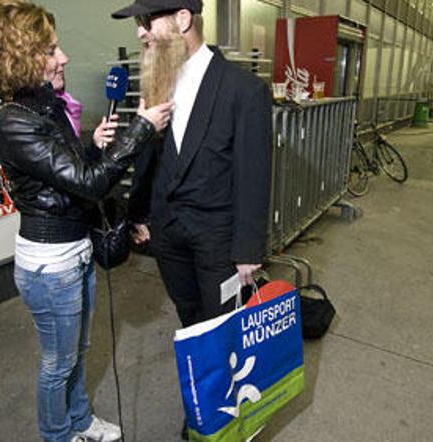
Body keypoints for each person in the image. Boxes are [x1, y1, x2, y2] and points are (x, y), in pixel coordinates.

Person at [0, 1, 172, 441]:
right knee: (58, 364)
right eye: (51, 50)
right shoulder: (13, 124)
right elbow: (90, 184)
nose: (64, 57)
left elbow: (69, 175)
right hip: (50, 265)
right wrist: (140, 129)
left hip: (75, 251)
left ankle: (80, 421)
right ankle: (57, 434)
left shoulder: (46, 108)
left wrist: (92, 146)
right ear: (21, 58)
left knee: (79, 350)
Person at [111, 0, 272, 437]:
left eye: (147, 21)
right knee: (191, 322)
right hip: (168, 235)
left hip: (219, 239)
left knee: (221, 331)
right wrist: (140, 213)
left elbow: (254, 174)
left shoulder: (243, 90)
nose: (140, 32)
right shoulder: (156, 82)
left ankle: (222, 418)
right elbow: (150, 159)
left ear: (183, 19)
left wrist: (248, 249)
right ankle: (206, 406)